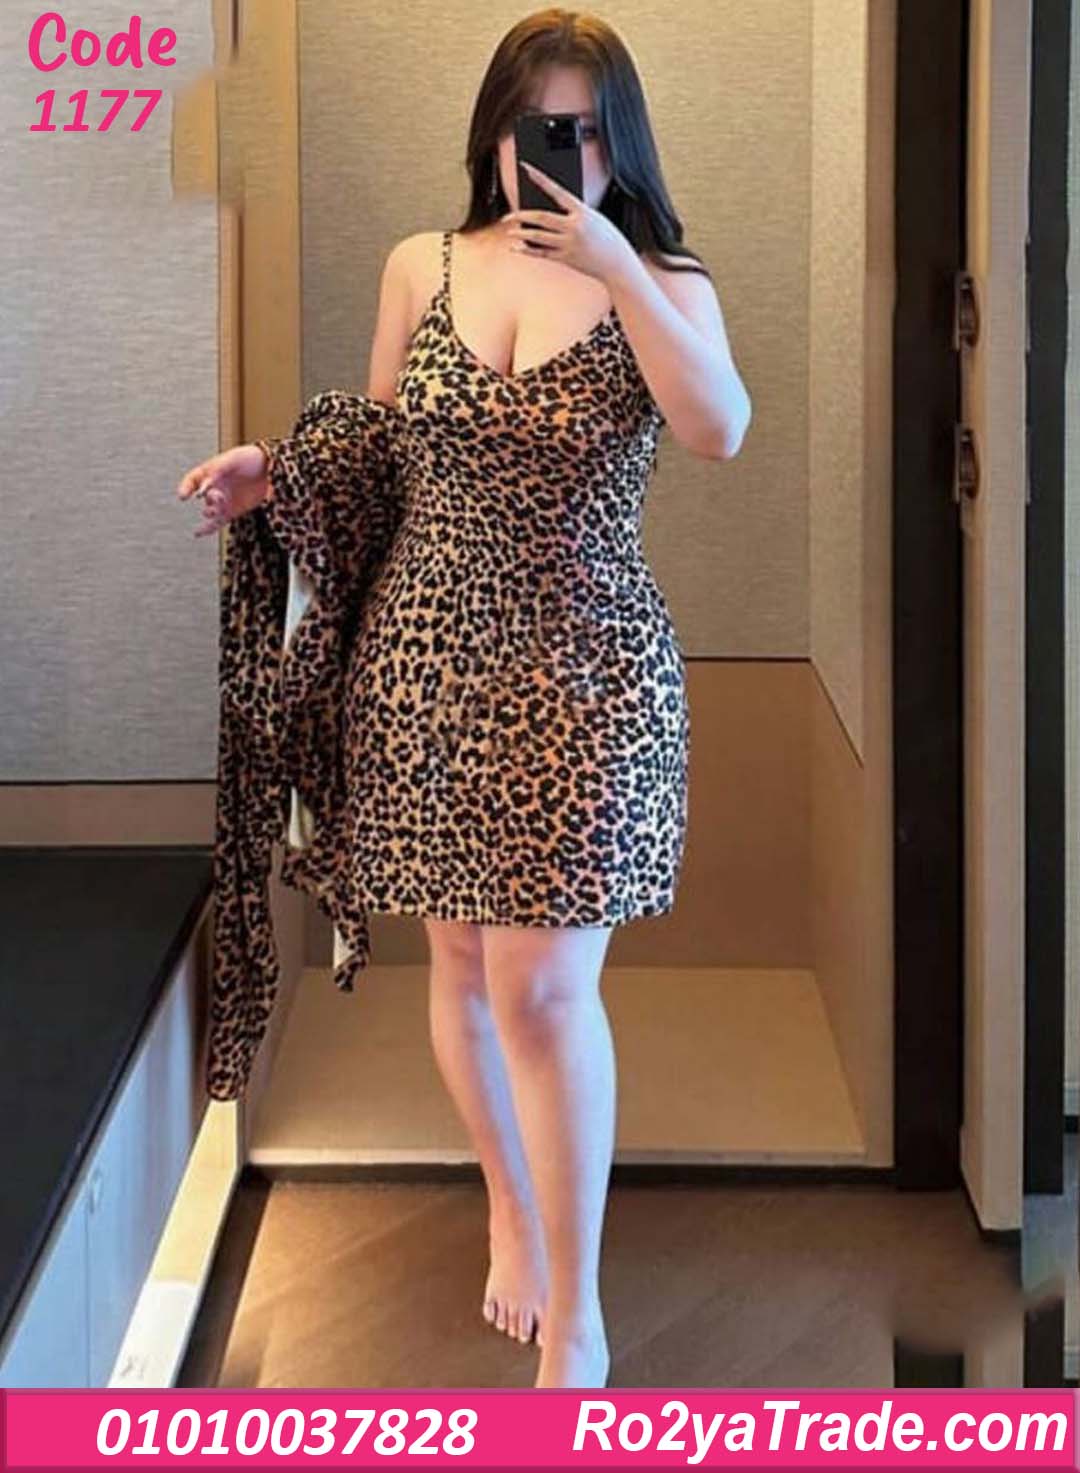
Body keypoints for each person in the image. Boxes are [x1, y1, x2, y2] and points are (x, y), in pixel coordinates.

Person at [178, 7, 751, 1391]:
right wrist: (278, 475)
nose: (559, 152)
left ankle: (581, 1311)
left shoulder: (664, 279)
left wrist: (614, 267)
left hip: (590, 667)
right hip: (424, 659)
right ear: (493, 134)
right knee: (459, 964)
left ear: (622, 144)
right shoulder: (419, 265)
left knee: (544, 987)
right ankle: (508, 1201)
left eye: (586, 130)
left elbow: (719, 427)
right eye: (534, 126)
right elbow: (384, 454)